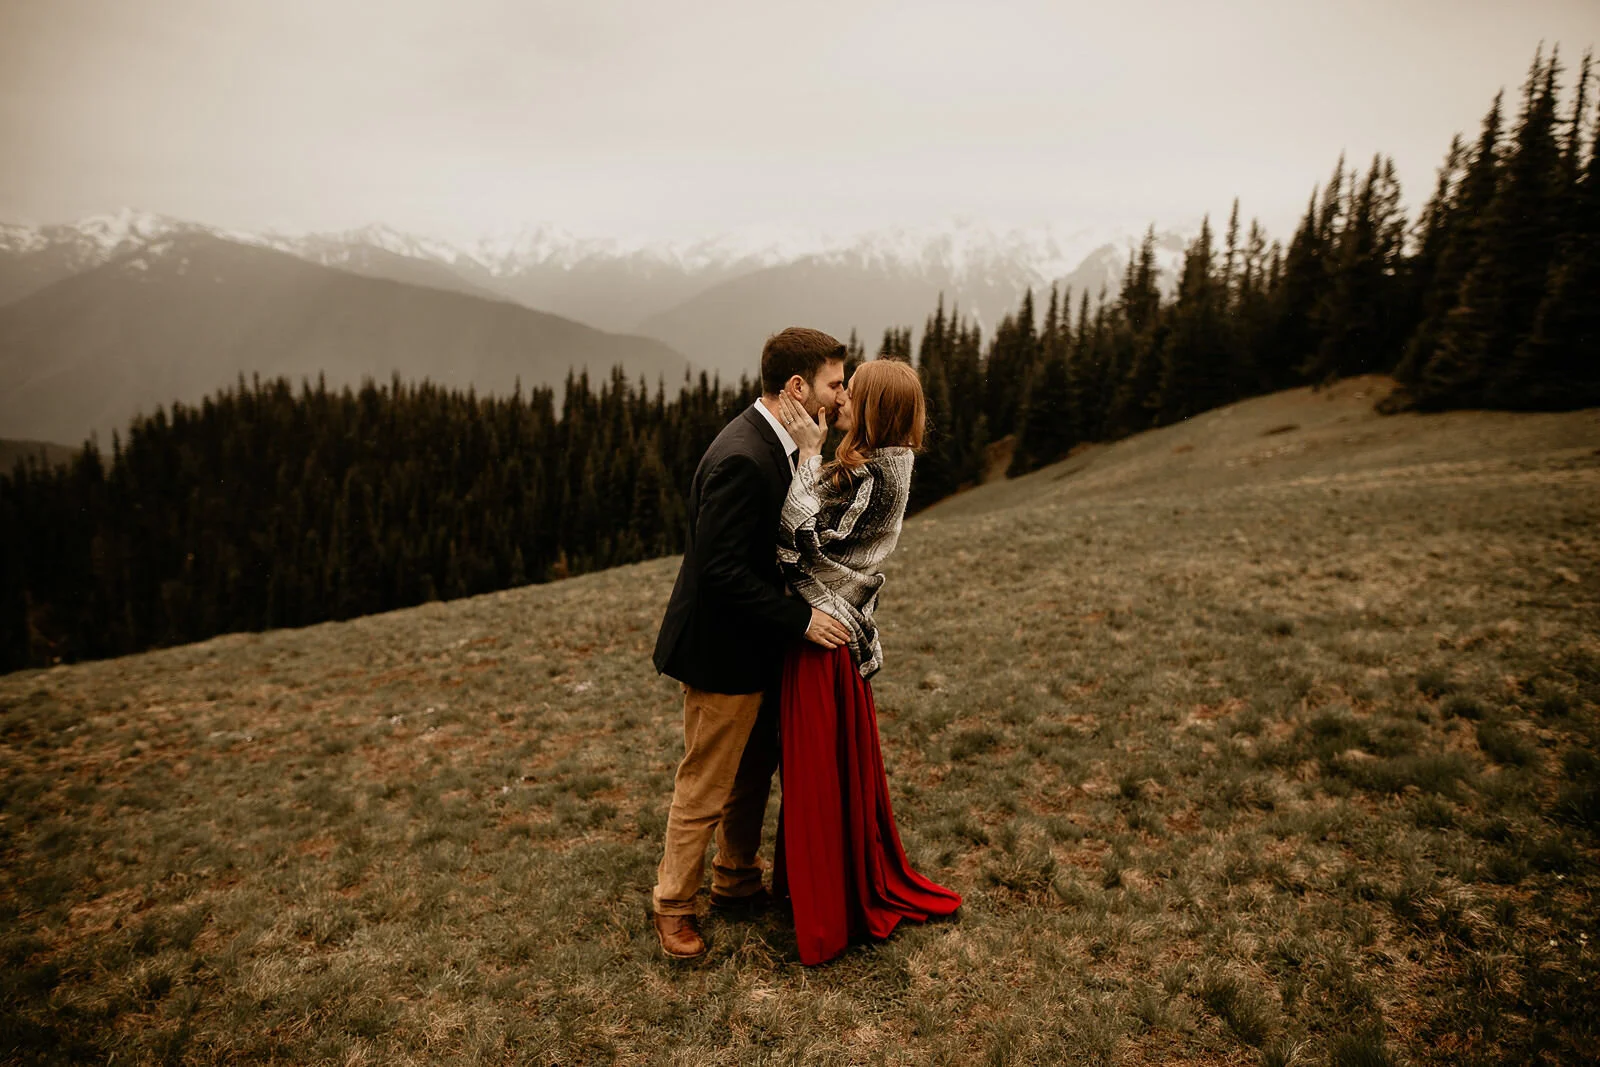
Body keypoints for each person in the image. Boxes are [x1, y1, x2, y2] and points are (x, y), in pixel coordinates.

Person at [649, 326, 854, 960]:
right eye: (833, 384)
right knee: (707, 782)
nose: (841, 396)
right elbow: (720, 571)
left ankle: (735, 884)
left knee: (751, 774)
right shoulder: (743, 454)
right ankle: (673, 907)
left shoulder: (787, 440)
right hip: (722, 649)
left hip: (756, 645)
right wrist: (799, 622)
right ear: (798, 386)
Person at [770, 358, 962, 967]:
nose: (842, 396)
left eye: (854, 391)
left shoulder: (874, 473)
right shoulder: (880, 463)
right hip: (834, 631)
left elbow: (803, 539)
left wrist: (805, 458)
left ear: (876, 407)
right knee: (826, 766)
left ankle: (831, 906)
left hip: (823, 634)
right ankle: (820, 886)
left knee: (816, 768)